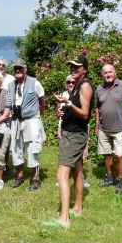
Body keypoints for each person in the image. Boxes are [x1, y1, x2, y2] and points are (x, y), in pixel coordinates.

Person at [45, 55, 94, 228]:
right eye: (71, 67)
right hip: (73, 132)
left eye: (77, 67)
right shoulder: (78, 85)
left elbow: (85, 114)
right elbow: (75, 111)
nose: (73, 69)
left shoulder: (85, 86)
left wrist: (68, 103)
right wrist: (62, 111)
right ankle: (78, 208)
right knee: (76, 172)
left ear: (85, 69)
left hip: (74, 136)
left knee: (61, 174)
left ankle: (64, 219)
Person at [95, 64, 122, 195]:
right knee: (106, 155)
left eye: (110, 72)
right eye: (105, 73)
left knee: (118, 156)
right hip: (104, 128)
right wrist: (97, 126)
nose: (108, 74)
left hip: (120, 129)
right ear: (102, 75)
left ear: (115, 73)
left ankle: (120, 181)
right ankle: (109, 177)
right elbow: (97, 108)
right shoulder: (99, 88)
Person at [8, 58, 46, 191]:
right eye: (15, 68)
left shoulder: (35, 83)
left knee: (32, 148)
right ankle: (20, 176)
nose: (17, 70)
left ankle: (35, 178)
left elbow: (42, 102)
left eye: (20, 68)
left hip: (31, 120)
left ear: (25, 69)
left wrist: (37, 116)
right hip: (16, 120)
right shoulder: (11, 85)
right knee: (17, 148)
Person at [55, 75, 90, 188]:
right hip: (63, 128)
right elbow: (57, 111)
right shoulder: (63, 95)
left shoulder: (82, 93)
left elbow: (86, 113)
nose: (70, 84)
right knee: (64, 152)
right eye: (68, 82)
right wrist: (58, 113)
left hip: (78, 129)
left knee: (79, 155)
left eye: (73, 82)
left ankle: (80, 176)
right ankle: (63, 175)